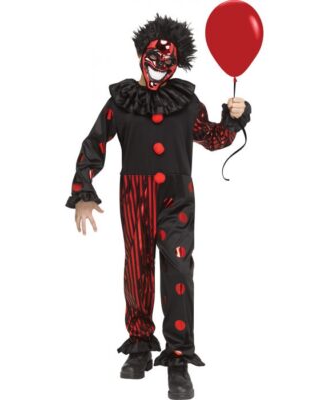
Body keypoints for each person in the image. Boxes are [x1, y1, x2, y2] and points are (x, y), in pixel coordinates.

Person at [65, 13, 252, 400]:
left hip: (176, 198)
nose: (159, 63)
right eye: (153, 56)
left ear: (177, 62)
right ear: (141, 55)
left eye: (168, 59)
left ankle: (179, 357)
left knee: (179, 268)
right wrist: (84, 191)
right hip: (134, 196)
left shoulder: (186, 102)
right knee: (137, 268)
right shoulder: (121, 101)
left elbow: (212, 138)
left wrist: (234, 120)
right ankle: (139, 343)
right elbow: (94, 143)